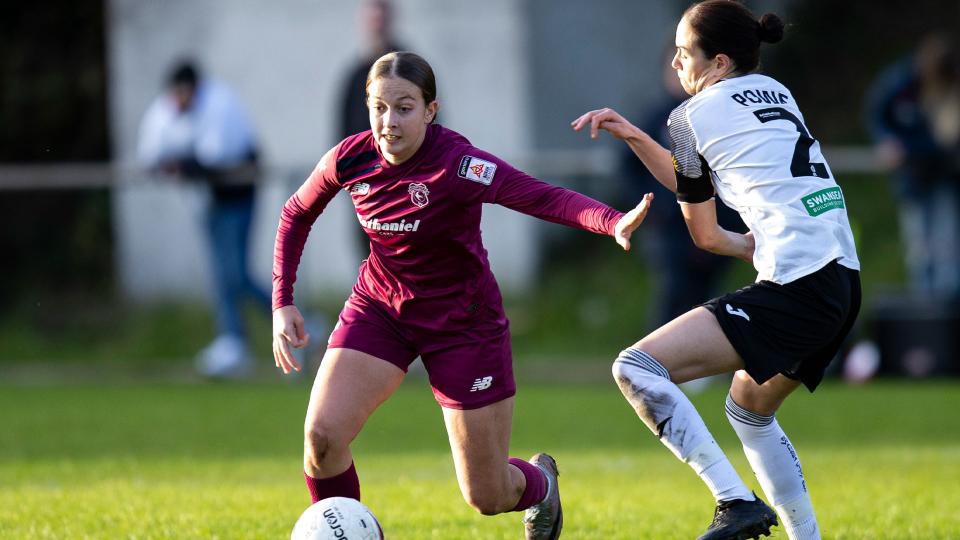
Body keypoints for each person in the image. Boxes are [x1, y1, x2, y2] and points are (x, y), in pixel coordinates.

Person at [271, 51, 652, 539]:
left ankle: (541, 485)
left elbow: (540, 195)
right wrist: (283, 300)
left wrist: (610, 221)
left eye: (404, 107)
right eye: (378, 107)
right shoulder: (351, 157)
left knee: (488, 495)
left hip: (463, 325)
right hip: (381, 309)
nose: (388, 123)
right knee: (322, 439)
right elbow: (295, 213)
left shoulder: (458, 164)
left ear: (431, 110)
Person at [573, 2, 860, 539]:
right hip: (841, 277)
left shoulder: (688, 117)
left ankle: (734, 502)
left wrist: (742, 244)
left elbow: (704, 233)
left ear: (721, 62)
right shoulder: (778, 92)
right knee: (749, 409)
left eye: (685, 51)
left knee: (635, 368)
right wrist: (636, 136)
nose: (677, 62)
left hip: (798, 284)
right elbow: (696, 177)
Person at [138, 61, 271, 378]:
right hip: (208, 200)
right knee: (222, 274)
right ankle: (233, 342)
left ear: (193, 89)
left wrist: (182, 164)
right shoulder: (166, 108)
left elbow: (214, 157)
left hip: (238, 196)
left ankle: (298, 324)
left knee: (235, 274)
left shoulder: (219, 104)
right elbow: (150, 154)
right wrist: (181, 164)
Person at [620, 47, 745, 329]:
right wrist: (653, 210)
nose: (677, 71)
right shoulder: (657, 117)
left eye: (684, 62)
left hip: (718, 221)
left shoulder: (722, 116)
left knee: (709, 296)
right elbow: (628, 168)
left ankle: (700, 362)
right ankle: (657, 359)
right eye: (672, 65)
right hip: (671, 229)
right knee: (674, 291)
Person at [866, 33, 960, 299]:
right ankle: (926, 306)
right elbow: (877, 114)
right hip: (914, 176)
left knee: (947, 245)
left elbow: (946, 139)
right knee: (920, 246)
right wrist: (887, 140)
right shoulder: (901, 81)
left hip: (945, 174)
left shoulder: (952, 83)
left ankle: (947, 307)